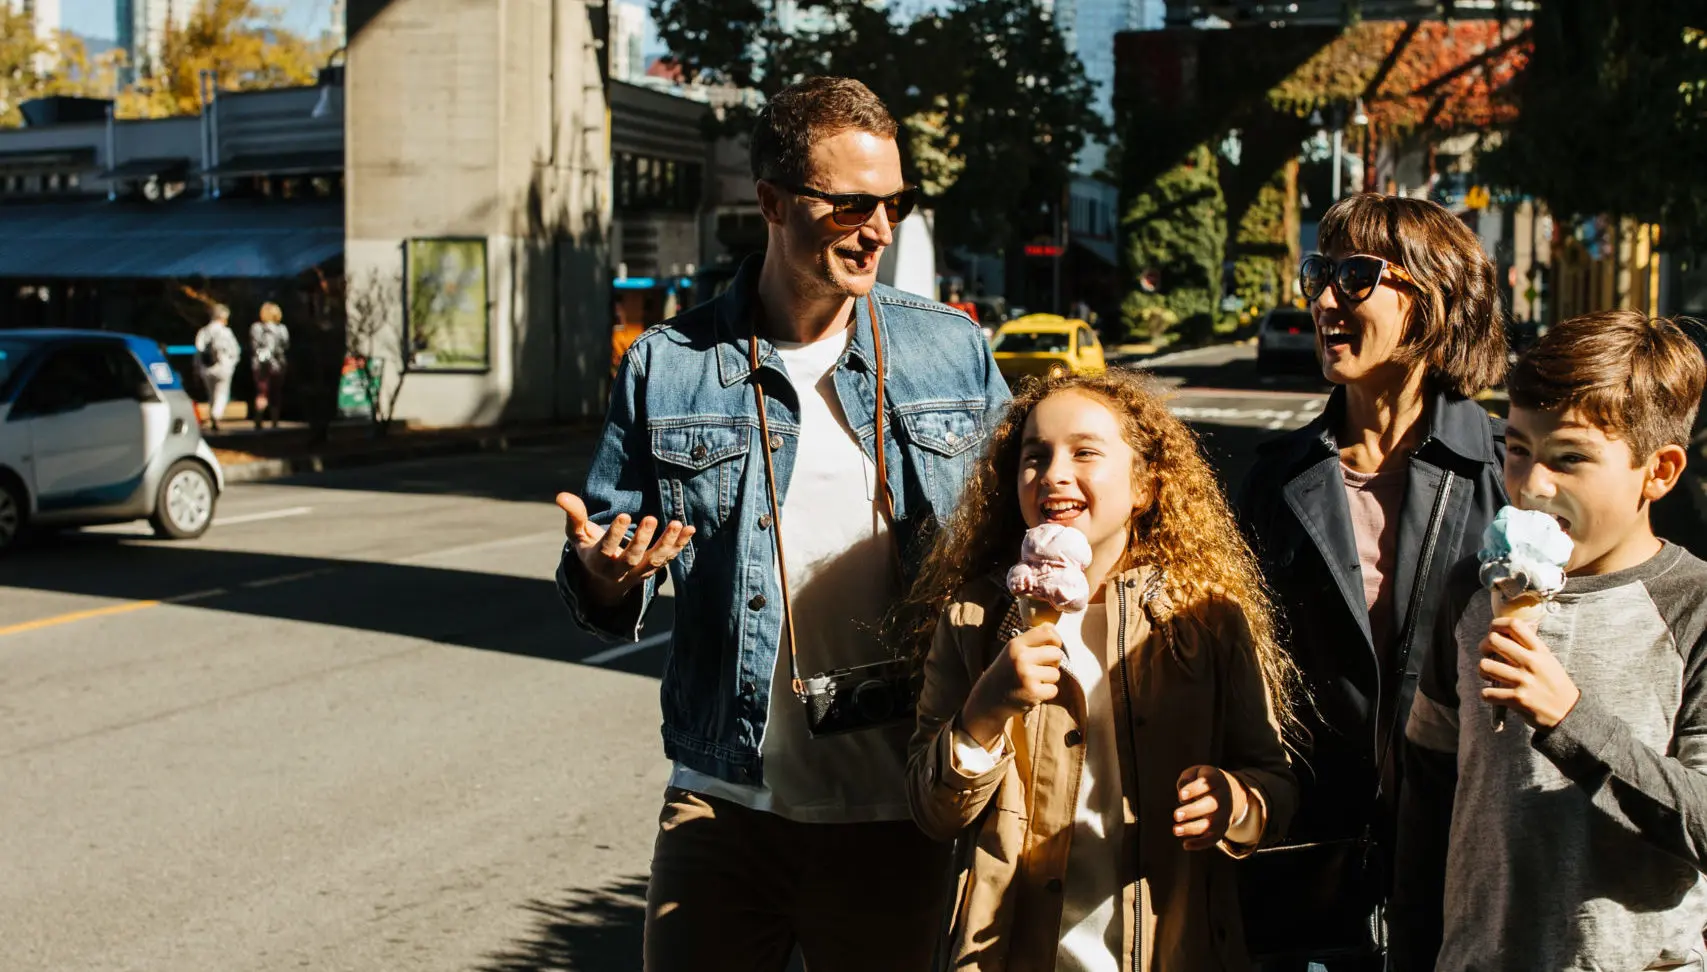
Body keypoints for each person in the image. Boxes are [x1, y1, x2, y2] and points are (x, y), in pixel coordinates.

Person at [553, 77, 1008, 972]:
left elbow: (1013, 538)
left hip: (899, 805)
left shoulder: (948, 350)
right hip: (724, 802)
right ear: (771, 203)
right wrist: (606, 578)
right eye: (849, 206)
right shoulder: (668, 366)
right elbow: (603, 558)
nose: (877, 229)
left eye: (893, 204)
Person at [902, 370, 1299, 971]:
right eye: (1034, 457)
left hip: (1170, 949)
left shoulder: (1204, 619)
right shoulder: (974, 620)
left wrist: (1235, 803)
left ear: (1144, 485)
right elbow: (931, 812)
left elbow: (1273, 781)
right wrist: (984, 712)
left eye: (1085, 452)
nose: (1054, 473)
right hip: (1010, 953)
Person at [1234, 193, 1509, 968]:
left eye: (1354, 277)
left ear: (1432, 297)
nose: (1323, 298)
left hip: (1467, 862)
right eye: (1318, 273)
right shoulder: (1274, 483)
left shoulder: (1507, 473)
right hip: (1307, 874)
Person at [1392, 311, 1707, 971]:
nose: (1532, 485)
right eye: (1517, 449)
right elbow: (1427, 790)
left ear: (1659, 472)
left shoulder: (1692, 608)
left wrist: (1569, 718)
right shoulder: (1470, 590)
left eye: (1568, 459)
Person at [194, 304, 242, 432]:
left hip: (206, 368)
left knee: (211, 394)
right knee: (222, 393)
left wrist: (198, 368)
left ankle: (213, 415)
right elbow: (235, 350)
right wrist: (232, 363)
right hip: (224, 367)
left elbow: (198, 351)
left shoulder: (203, 332)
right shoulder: (226, 332)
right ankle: (216, 415)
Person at [250, 301, 290, 429]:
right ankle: (274, 421)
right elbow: (286, 344)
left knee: (262, 392)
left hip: (260, 364)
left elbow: (254, 345)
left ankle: (258, 419)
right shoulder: (282, 329)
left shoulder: (256, 328)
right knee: (276, 393)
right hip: (278, 365)